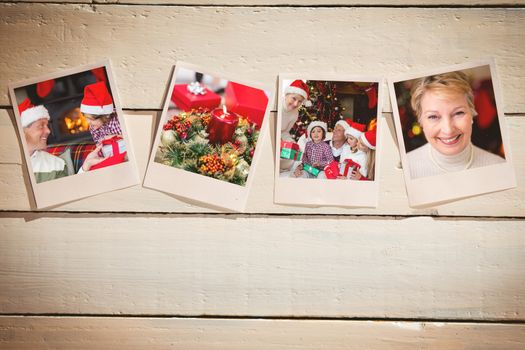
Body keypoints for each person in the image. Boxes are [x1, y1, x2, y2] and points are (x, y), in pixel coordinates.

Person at [407, 72, 505, 179]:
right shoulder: (406, 170)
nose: (448, 130)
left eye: (458, 113)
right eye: (433, 117)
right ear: (420, 121)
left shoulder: (499, 168)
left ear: (472, 113)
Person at [19, 98, 106, 183]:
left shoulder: (57, 165)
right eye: (41, 126)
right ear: (22, 132)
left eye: (47, 125)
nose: (48, 131)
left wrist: (85, 167)